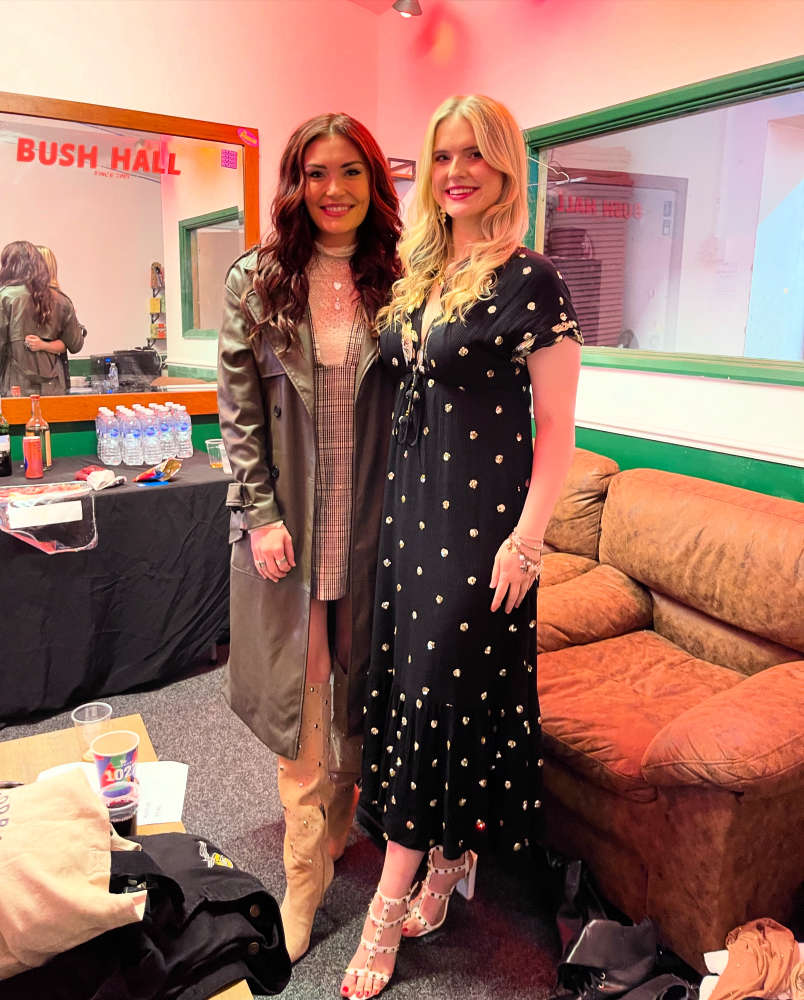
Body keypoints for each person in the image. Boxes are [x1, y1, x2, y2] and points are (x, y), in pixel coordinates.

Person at [341, 95, 583, 999]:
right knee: (423, 694)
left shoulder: (532, 279)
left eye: (474, 155)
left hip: (484, 531)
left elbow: (557, 431)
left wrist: (528, 541)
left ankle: (386, 906)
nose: (455, 172)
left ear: (505, 165)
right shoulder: (422, 273)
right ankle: (446, 867)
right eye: (443, 156)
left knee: (438, 697)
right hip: (411, 521)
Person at [217, 113, 402, 964]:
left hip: (373, 525)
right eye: (317, 173)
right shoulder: (257, 281)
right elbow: (239, 413)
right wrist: (258, 514)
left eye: (352, 172)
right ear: (295, 183)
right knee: (306, 703)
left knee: (357, 692)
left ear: (374, 183)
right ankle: (303, 880)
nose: (334, 190)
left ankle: (334, 831)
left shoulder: (399, 280)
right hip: (291, 524)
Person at [0, 241, 84, 396]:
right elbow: (75, 345)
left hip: (15, 390)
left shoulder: (5, 297)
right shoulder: (62, 300)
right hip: (54, 389)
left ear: (8, 265)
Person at [36, 245, 87, 391]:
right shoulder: (62, 302)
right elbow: (74, 344)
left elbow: (70, 344)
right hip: (53, 380)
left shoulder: (58, 303)